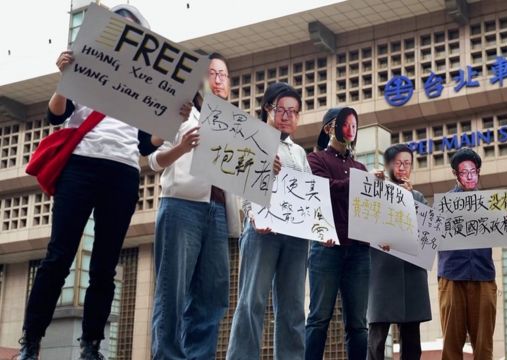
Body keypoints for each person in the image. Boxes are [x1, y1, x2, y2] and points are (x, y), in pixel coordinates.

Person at [17, 5, 192, 360]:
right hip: (80, 168)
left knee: (105, 263)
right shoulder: (86, 63)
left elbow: (147, 145)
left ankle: (91, 345)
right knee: (58, 256)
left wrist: (173, 120)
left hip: (122, 172)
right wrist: (64, 78)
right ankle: (30, 341)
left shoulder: (146, 80)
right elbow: (56, 114)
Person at [149, 52, 243, 360]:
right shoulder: (181, 109)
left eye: (223, 75)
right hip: (181, 206)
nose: (218, 81)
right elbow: (153, 159)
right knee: (172, 293)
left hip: (217, 214)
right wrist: (181, 147)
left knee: (212, 298)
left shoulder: (233, 124)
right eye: (211, 74)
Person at [226, 82, 309, 360]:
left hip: (296, 238)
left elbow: (309, 195)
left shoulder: (299, 153)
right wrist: (252, 214)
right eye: (281, 109)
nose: (287, 116)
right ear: (267, 110)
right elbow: (240, 184)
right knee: (252, 302)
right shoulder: (253, 140)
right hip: (262, 231)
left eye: (293, 111)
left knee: (294, 307)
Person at [438, 147, 507, 360]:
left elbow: (502, 232)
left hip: (483, 276)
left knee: (484, 346)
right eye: (464, 172)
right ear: (456, 174)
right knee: (451, 345)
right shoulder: (444, 205)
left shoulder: (493, 203)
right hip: (452, 277)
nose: (469, 176)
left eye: (473, 171)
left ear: (479, 172)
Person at [305, 107, 369, 360]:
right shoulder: (316, 160)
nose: (349, 129)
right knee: (319, 317)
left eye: (354, 125)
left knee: (358, 323)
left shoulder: (360, 166)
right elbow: (321, 189)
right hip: (326, 247)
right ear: (328, 128)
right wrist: (358, 183)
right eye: (344, 123)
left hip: (359, 250)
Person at [367, 144, 431, 360]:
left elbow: (426, 233)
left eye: (407, 163)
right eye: (398, 163)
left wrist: (409, 200)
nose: (403, 168)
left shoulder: (419, 197)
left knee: (412, 339)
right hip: (383, 271)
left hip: (411, 273)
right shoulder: (376, 191)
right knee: (377, 336)